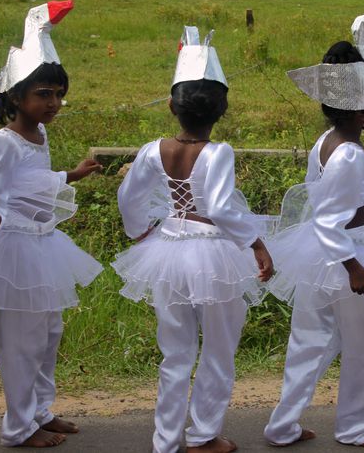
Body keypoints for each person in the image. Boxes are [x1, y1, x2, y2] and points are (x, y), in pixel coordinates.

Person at [111, 26, 274, 453]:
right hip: (214, 254)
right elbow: (220, 208)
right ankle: (203, 435)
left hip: (167, 251)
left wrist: (140, 231)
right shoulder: (219, 153)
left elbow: (129, 198)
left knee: (175, 352)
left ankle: (165, 441)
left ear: (171, 105)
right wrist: (255, 243)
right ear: (222, 109)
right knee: (218, 350)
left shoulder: (152, 150)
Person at [263, 14, 364, 449]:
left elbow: (331, 200)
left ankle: (283, 426)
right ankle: (354, 427)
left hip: (318, 255)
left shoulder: (328, 140)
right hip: (344, 258)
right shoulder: (351, 153)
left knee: (310, 341)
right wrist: (354, 267)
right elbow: (333, 220)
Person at [0, 0, 103, 448]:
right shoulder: (3, 141)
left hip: (44, 245)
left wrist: (71, 175)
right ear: (14, 97)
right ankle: (18, 427)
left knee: (49, 334)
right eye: (43, 94)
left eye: (58, 93)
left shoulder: (39, 134)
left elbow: (32, 180)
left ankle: (40, 410)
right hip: (15, 251)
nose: (54, 103)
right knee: (21, 344)